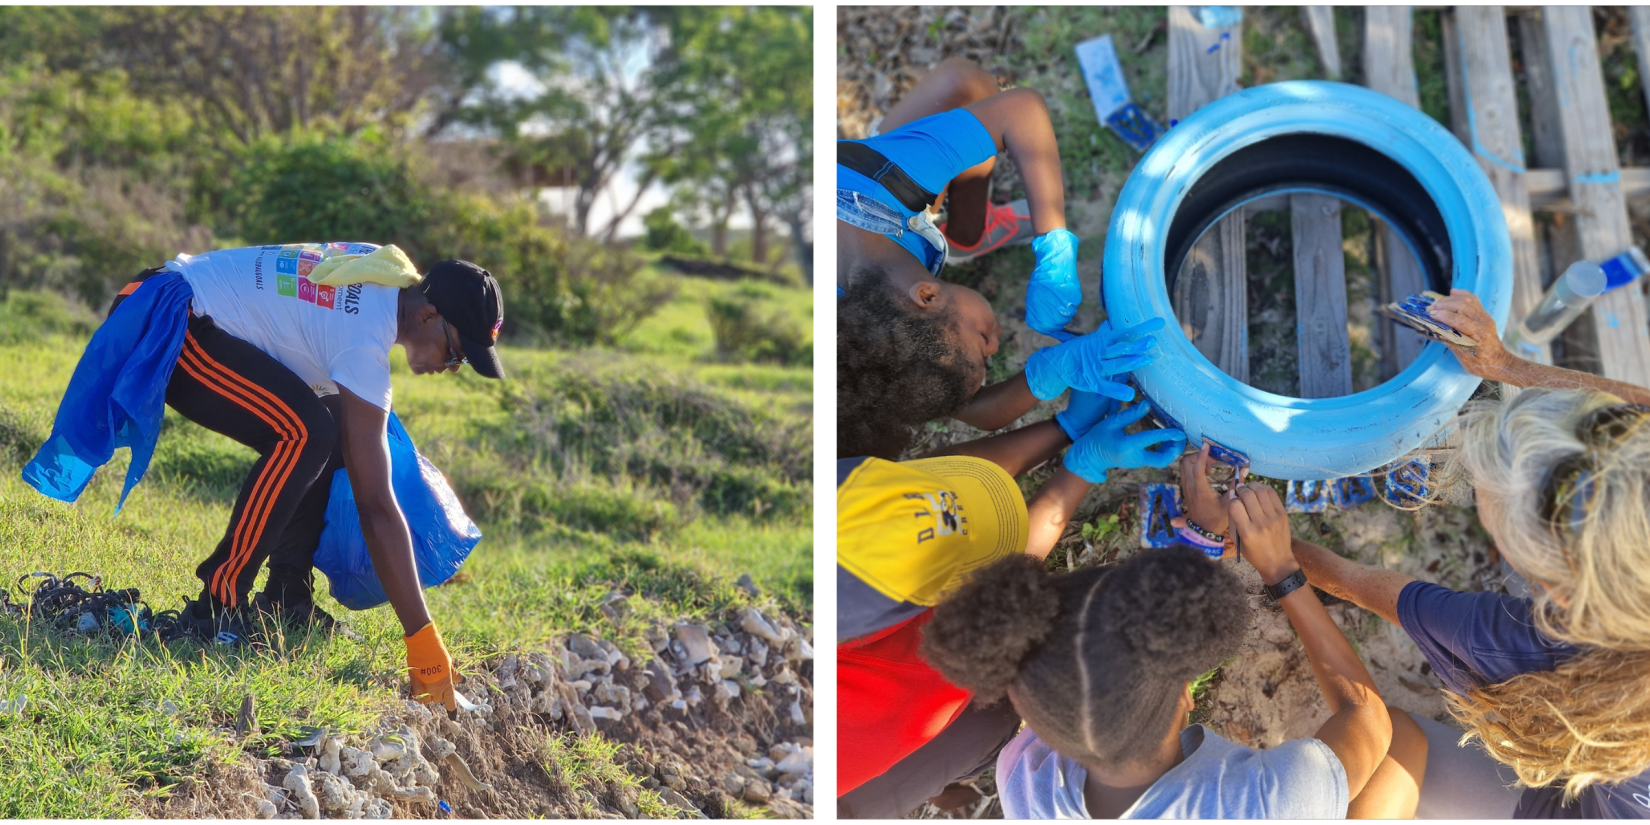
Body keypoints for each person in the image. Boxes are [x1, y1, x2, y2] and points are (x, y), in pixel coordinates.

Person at [23, 241, 501, 711]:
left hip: (181, 306)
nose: (452, 367)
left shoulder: (381, 271)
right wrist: (423, 647)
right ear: (426, 316)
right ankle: (218, 606)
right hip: (171, 318)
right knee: (304, 434)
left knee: (329, 429)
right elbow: (376, 507)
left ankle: (286, 597)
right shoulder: (365, 337)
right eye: (456, 351)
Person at [1289, 288, 1650, 817]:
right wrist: (1505, 366)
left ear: (1551, 590)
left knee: (1388, 747)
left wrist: (1278, 556)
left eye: (1487, 499)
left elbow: (1371, 588)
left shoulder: (1522, 646)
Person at [923, 481, 1395, 818]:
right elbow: (1368, 720)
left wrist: (1202, 545)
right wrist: (1282, 571)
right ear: (1186, 692)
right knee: (1404, 750)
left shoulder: (1024, 775)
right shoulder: (1272, 804)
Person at [837, 392, 1185, 818]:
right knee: (985, 723)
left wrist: (1066, 431)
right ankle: (940, 784)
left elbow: (925, 493)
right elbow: (1003, 603)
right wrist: (1081, 467)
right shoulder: (905, 669)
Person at [836, 57, 1162, 460]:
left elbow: (1021, 110)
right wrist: (1050, 373)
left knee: (966, 83)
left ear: (927, 296)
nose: (995, 346)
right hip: (891, 223)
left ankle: (968, 235)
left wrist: (1053, 245)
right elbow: (973, 410)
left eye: (980, 343)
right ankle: (963, 234)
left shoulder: (889, 176)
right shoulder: (859, 349)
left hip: (866, 183)